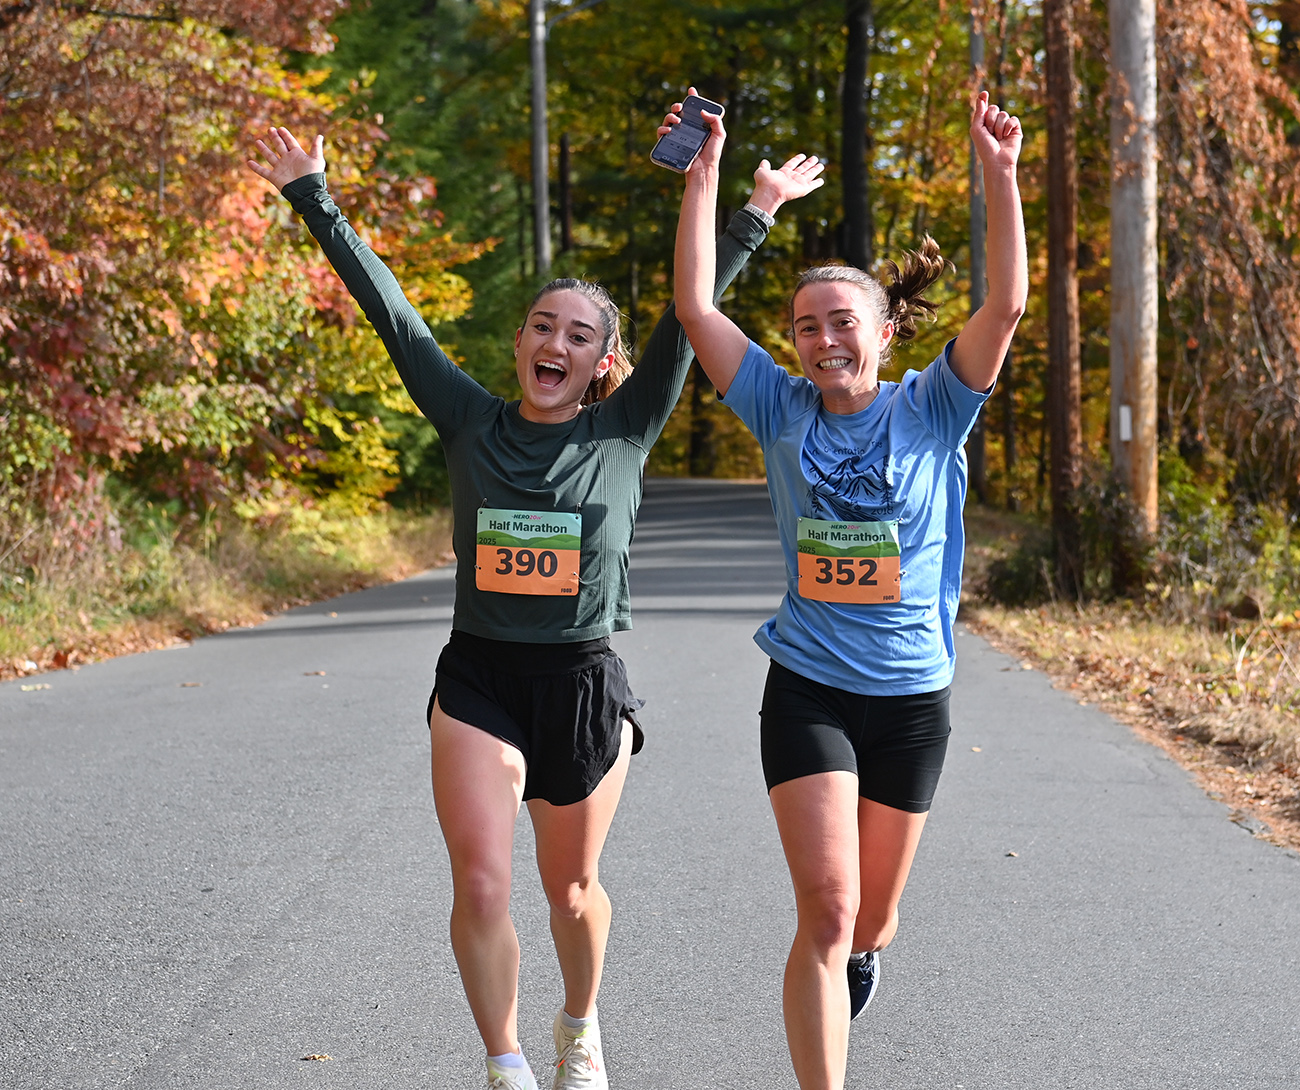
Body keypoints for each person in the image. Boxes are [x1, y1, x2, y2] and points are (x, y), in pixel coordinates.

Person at [247, 106, 822, 1090]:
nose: (557, 342)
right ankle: (505, 1060)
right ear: (520, 343)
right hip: (479, 677)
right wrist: (314, 196)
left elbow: (692, 310)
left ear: (602, 362)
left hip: (583, 684)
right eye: (543, 326)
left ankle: (579, 1025)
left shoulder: (625, 428)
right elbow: (394, 313)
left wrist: (745, 205)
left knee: (572, 890)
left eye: (579, 335)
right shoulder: (469, 420)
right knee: (481, 881)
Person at [668, 89, 1026, 1090]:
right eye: (805, 326)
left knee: (870, 918)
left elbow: (1003, 307)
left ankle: (864, 954)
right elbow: (696, 308)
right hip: (809, 688)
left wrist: (998, 176)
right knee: (825, 911)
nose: (823, 338)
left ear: (883, 330)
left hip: (911, 699)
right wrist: (711, 180)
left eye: (841, 321)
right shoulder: (778, 406)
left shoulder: (933, 407)